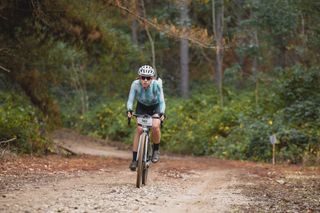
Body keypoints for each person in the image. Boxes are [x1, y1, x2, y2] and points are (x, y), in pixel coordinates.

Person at [127, 65, 166, 171]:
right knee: (139, 129)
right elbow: (130, 100)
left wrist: (162, 113)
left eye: (148, 78)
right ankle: (134, 160)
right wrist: (129, 110)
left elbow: (162, 101)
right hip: (142, 106)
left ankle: (156, 150)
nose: (145, 80)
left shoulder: (157, 85)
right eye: (143, 77)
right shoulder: (135, 84)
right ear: (139, 77)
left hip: (155, 106)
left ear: (152, 78)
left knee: (155, 126)